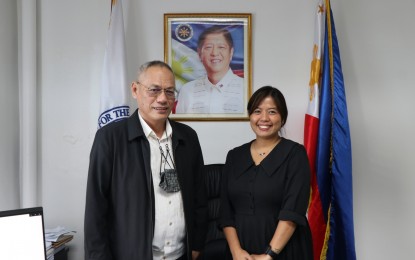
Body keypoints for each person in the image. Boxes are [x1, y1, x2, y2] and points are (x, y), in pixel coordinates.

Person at [84, 60, 208, 260]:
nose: (162, 99)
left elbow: (200, 198)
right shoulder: (110, 138)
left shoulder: (188, 137)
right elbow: (95, 209)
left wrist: (197, 245)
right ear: (135, 89)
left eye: (169, 91)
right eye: (154, 90)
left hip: (181, 255)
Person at [219, 86, 313, 260]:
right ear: (250, 116)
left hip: (284, 250)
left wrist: (268, 255)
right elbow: (226, 212)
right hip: (239, 252)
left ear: (282, 117)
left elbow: (292, 211)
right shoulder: (234, 155)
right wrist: (236, 252)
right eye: (257, 111)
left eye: (272, 112)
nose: (264, 118)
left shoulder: (295, 154)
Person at [175, 26, 244, 114]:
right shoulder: (187, 90)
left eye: (221, 47)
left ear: (231, 52)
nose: (214, 53)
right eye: (208, 47)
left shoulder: (245, 88)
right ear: (199, 53)